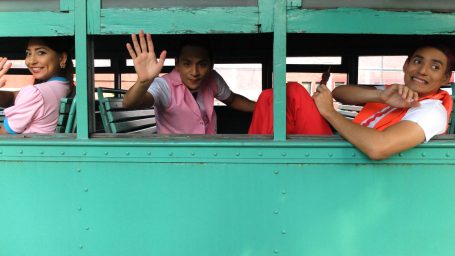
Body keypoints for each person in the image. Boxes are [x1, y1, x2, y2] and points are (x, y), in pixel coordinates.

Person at [249, 44, 454, 160]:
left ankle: (255, 161)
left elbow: (378, 148)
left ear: (446, 79)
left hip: (346, 161)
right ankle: (259, 160)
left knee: (293, 91)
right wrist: (379, 96)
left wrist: (330, 113)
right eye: (417, 62)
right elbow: (340, 92)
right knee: (271, 98)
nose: (422, 71)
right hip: (343, 148)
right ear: (406, 65)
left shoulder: (432, 111)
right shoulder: (397, 93)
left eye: (435, 67)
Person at [123, 31, 256, 134]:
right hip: (174, 158)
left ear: (211, 65)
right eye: (187, 64)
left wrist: (268, 108)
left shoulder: (212, 79)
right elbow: (130, 103)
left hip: (208, 152)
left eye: (202, 64)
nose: (194, 72)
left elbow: (232, 100)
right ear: (177, 64)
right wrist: (143, 82)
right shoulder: (164, 85)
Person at [0, 37, 75, 134]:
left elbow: (3, 135)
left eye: (41, 52)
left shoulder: (35, 93)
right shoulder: (67, 86)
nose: (31, 61)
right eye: (28, 53)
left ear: (62, 58)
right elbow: (14, 97)